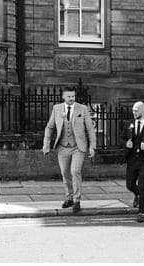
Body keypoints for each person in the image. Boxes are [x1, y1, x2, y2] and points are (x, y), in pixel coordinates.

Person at [42, 85, 96, 214]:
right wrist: (46, 143)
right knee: (65, 173)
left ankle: (77, 200)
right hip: (62, 147)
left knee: (75, 171)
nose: (71, 99)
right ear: (63, 97)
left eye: (73, 96)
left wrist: (92, 146)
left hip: (78, 147)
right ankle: (69, 198)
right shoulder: (56, 108)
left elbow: (90, 129)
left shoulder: (82, 109)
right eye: (69, 96)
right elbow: (49, 127)